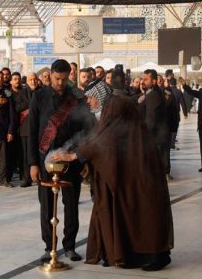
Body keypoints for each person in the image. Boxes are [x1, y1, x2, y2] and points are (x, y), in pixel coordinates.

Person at [52, 94, 173, 271]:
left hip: (140, 178)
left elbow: (103, 141)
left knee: (144, 217)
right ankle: (126, 254)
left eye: (91, 98)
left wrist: (75, 155)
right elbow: (100, 141)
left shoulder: (119, 115)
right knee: (126, 215)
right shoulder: (115, 117)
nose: (89, 102)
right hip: (127, 177)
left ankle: (156, 256)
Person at [28, 59, 96, 263]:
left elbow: (87, 129)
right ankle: (50, 245)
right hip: (44, 158)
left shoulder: (76, 97)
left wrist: (81, 158)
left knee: (71, 203)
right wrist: (32, 163)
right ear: (50, 75)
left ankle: (69, 246)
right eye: (57, 78)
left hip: (70, 159)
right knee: (46, 205)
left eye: (64, 79)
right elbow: (31, 131)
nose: (60, 83)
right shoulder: (39, 97)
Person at [138, 70, 170, 180]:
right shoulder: (153, 93)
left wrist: (145, 135)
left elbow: (150, 119)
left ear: (154, 81)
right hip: (158, 137)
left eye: (146, 80)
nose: (143, 82)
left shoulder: (153, 95)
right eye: (143, 79)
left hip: (156, 138)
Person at [15, 72, 40, 187]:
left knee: (39, 153)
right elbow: (17, 108)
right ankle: (26, 178)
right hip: (25, 128)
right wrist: (31, 105)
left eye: (35, 79)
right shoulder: (22, 92)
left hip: (40, 129)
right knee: (25, 155)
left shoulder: (42, 91)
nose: (33, 81)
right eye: (31, 79)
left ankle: (39, 176)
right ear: (27, 81)